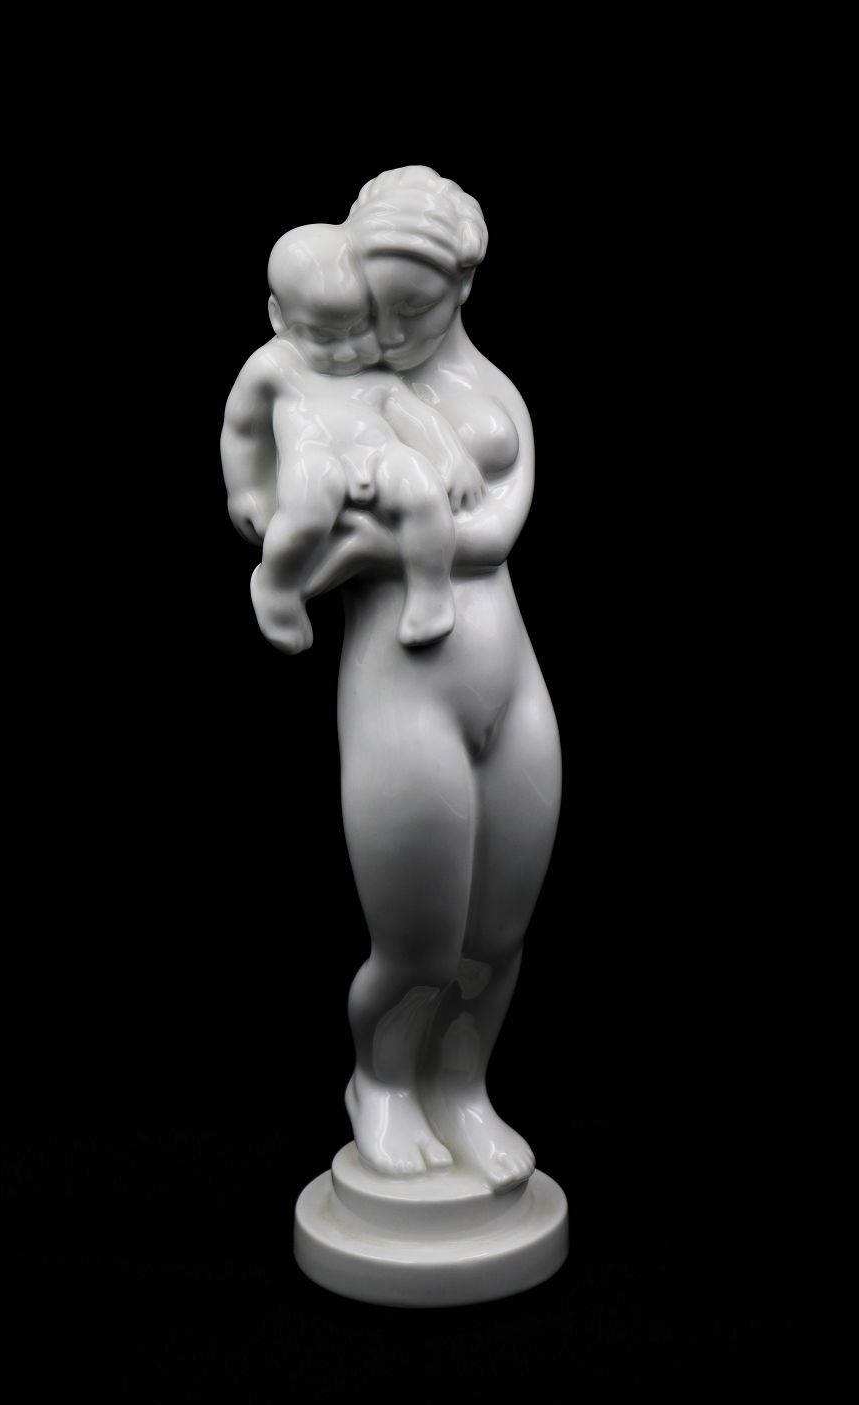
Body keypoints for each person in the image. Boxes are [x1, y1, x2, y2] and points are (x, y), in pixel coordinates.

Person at [299, 167, 562, 1192]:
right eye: (377, 305)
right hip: (403, 695)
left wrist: (387, 535)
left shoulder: (491, 393)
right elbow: (291, 545)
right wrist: (387, 535)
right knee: (415, 942)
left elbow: (496, 530)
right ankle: (380, 1082)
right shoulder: (327, 386)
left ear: (463, 286)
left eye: (416, 309)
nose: (390, 330)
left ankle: (462, 1086)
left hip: (514, 685)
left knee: (498, 934)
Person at [221, 223, 484, 651]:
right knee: (307, 511)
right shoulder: (273, 368)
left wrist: (454, 459)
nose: (346, 352)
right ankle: (278, 586)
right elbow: (243, 430)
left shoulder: (378, 372)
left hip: (379, 453)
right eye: (324, 337)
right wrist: (247, 491)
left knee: (422, 491)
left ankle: (430, 591)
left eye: (359, 329)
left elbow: (417, 416)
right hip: (314, 458)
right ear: (279, 318)